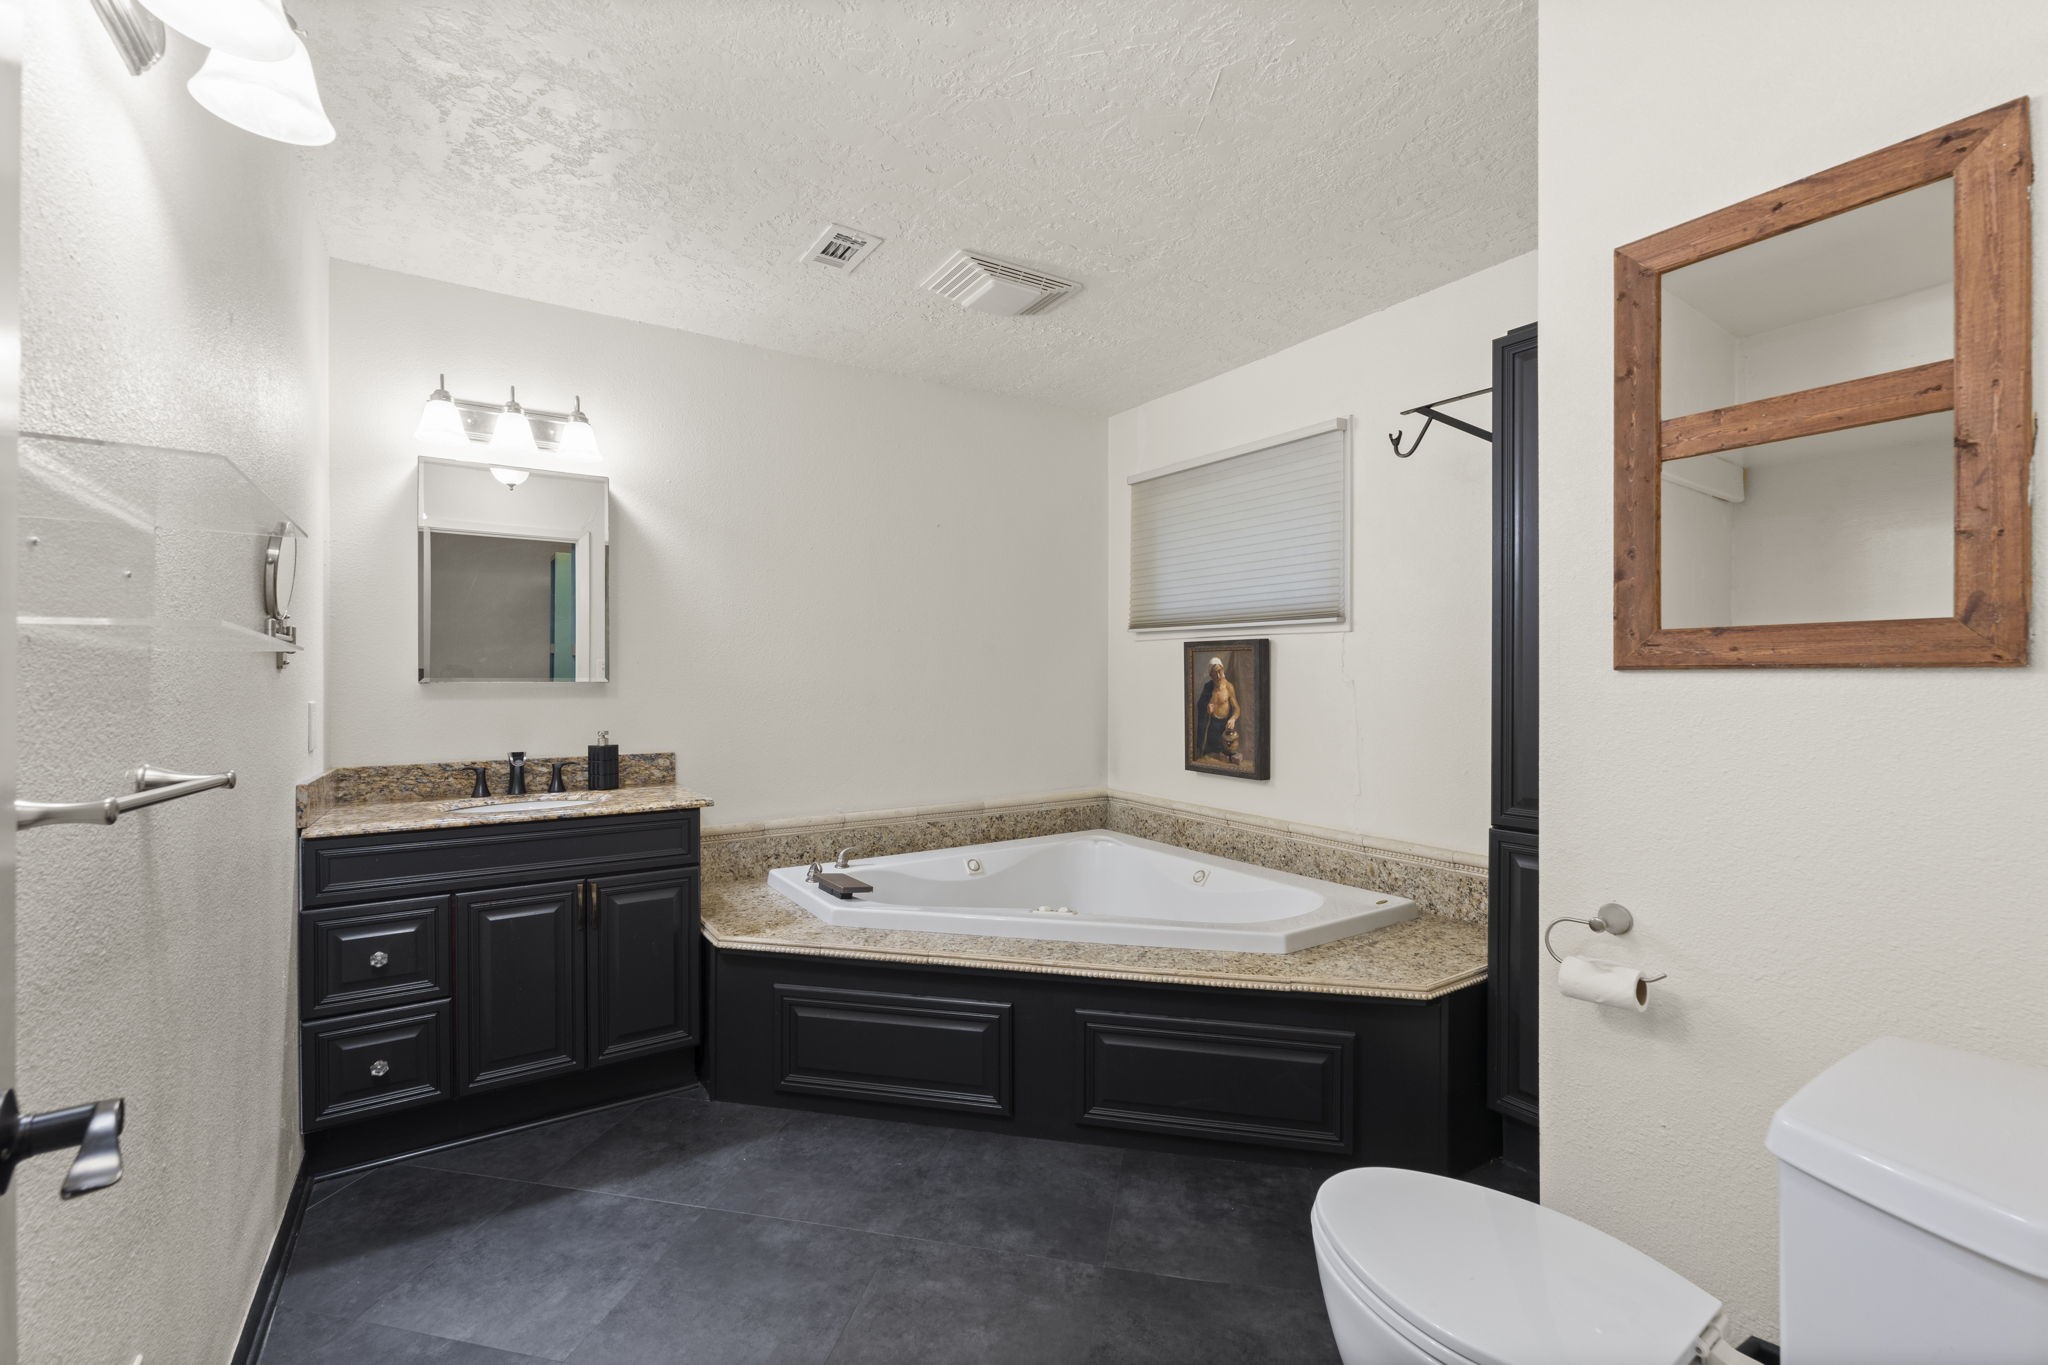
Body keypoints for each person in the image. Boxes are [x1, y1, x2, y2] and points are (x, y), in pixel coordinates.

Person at [1192, 655, 1240, 762]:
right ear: (1210, 674)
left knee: (1225, 759)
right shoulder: (1208, 687)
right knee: (1210, 758)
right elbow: (1200, 705)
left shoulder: (1229, 687)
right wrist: (1206, 708)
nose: (1218, 676)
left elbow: (1237, 709)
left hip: (1225, 729)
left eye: (1220, 671)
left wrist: (1233, 719)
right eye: (1215, 673)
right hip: (1211, 727)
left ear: (1223, 670)